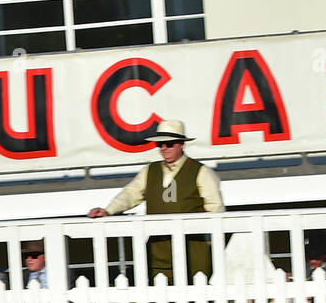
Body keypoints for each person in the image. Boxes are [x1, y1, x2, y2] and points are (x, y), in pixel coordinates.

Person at [88, 120, 225, 281]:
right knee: (158, 290)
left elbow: (216, 208)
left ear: (181, 144)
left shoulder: (201, 171)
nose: (163, 148)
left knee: (196, 290)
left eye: (169, 144)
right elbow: (131, 194)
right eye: (159, 144)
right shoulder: (150, 171)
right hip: (158, 249)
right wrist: (108, 210)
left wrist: (206, 239)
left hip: (192, 248)